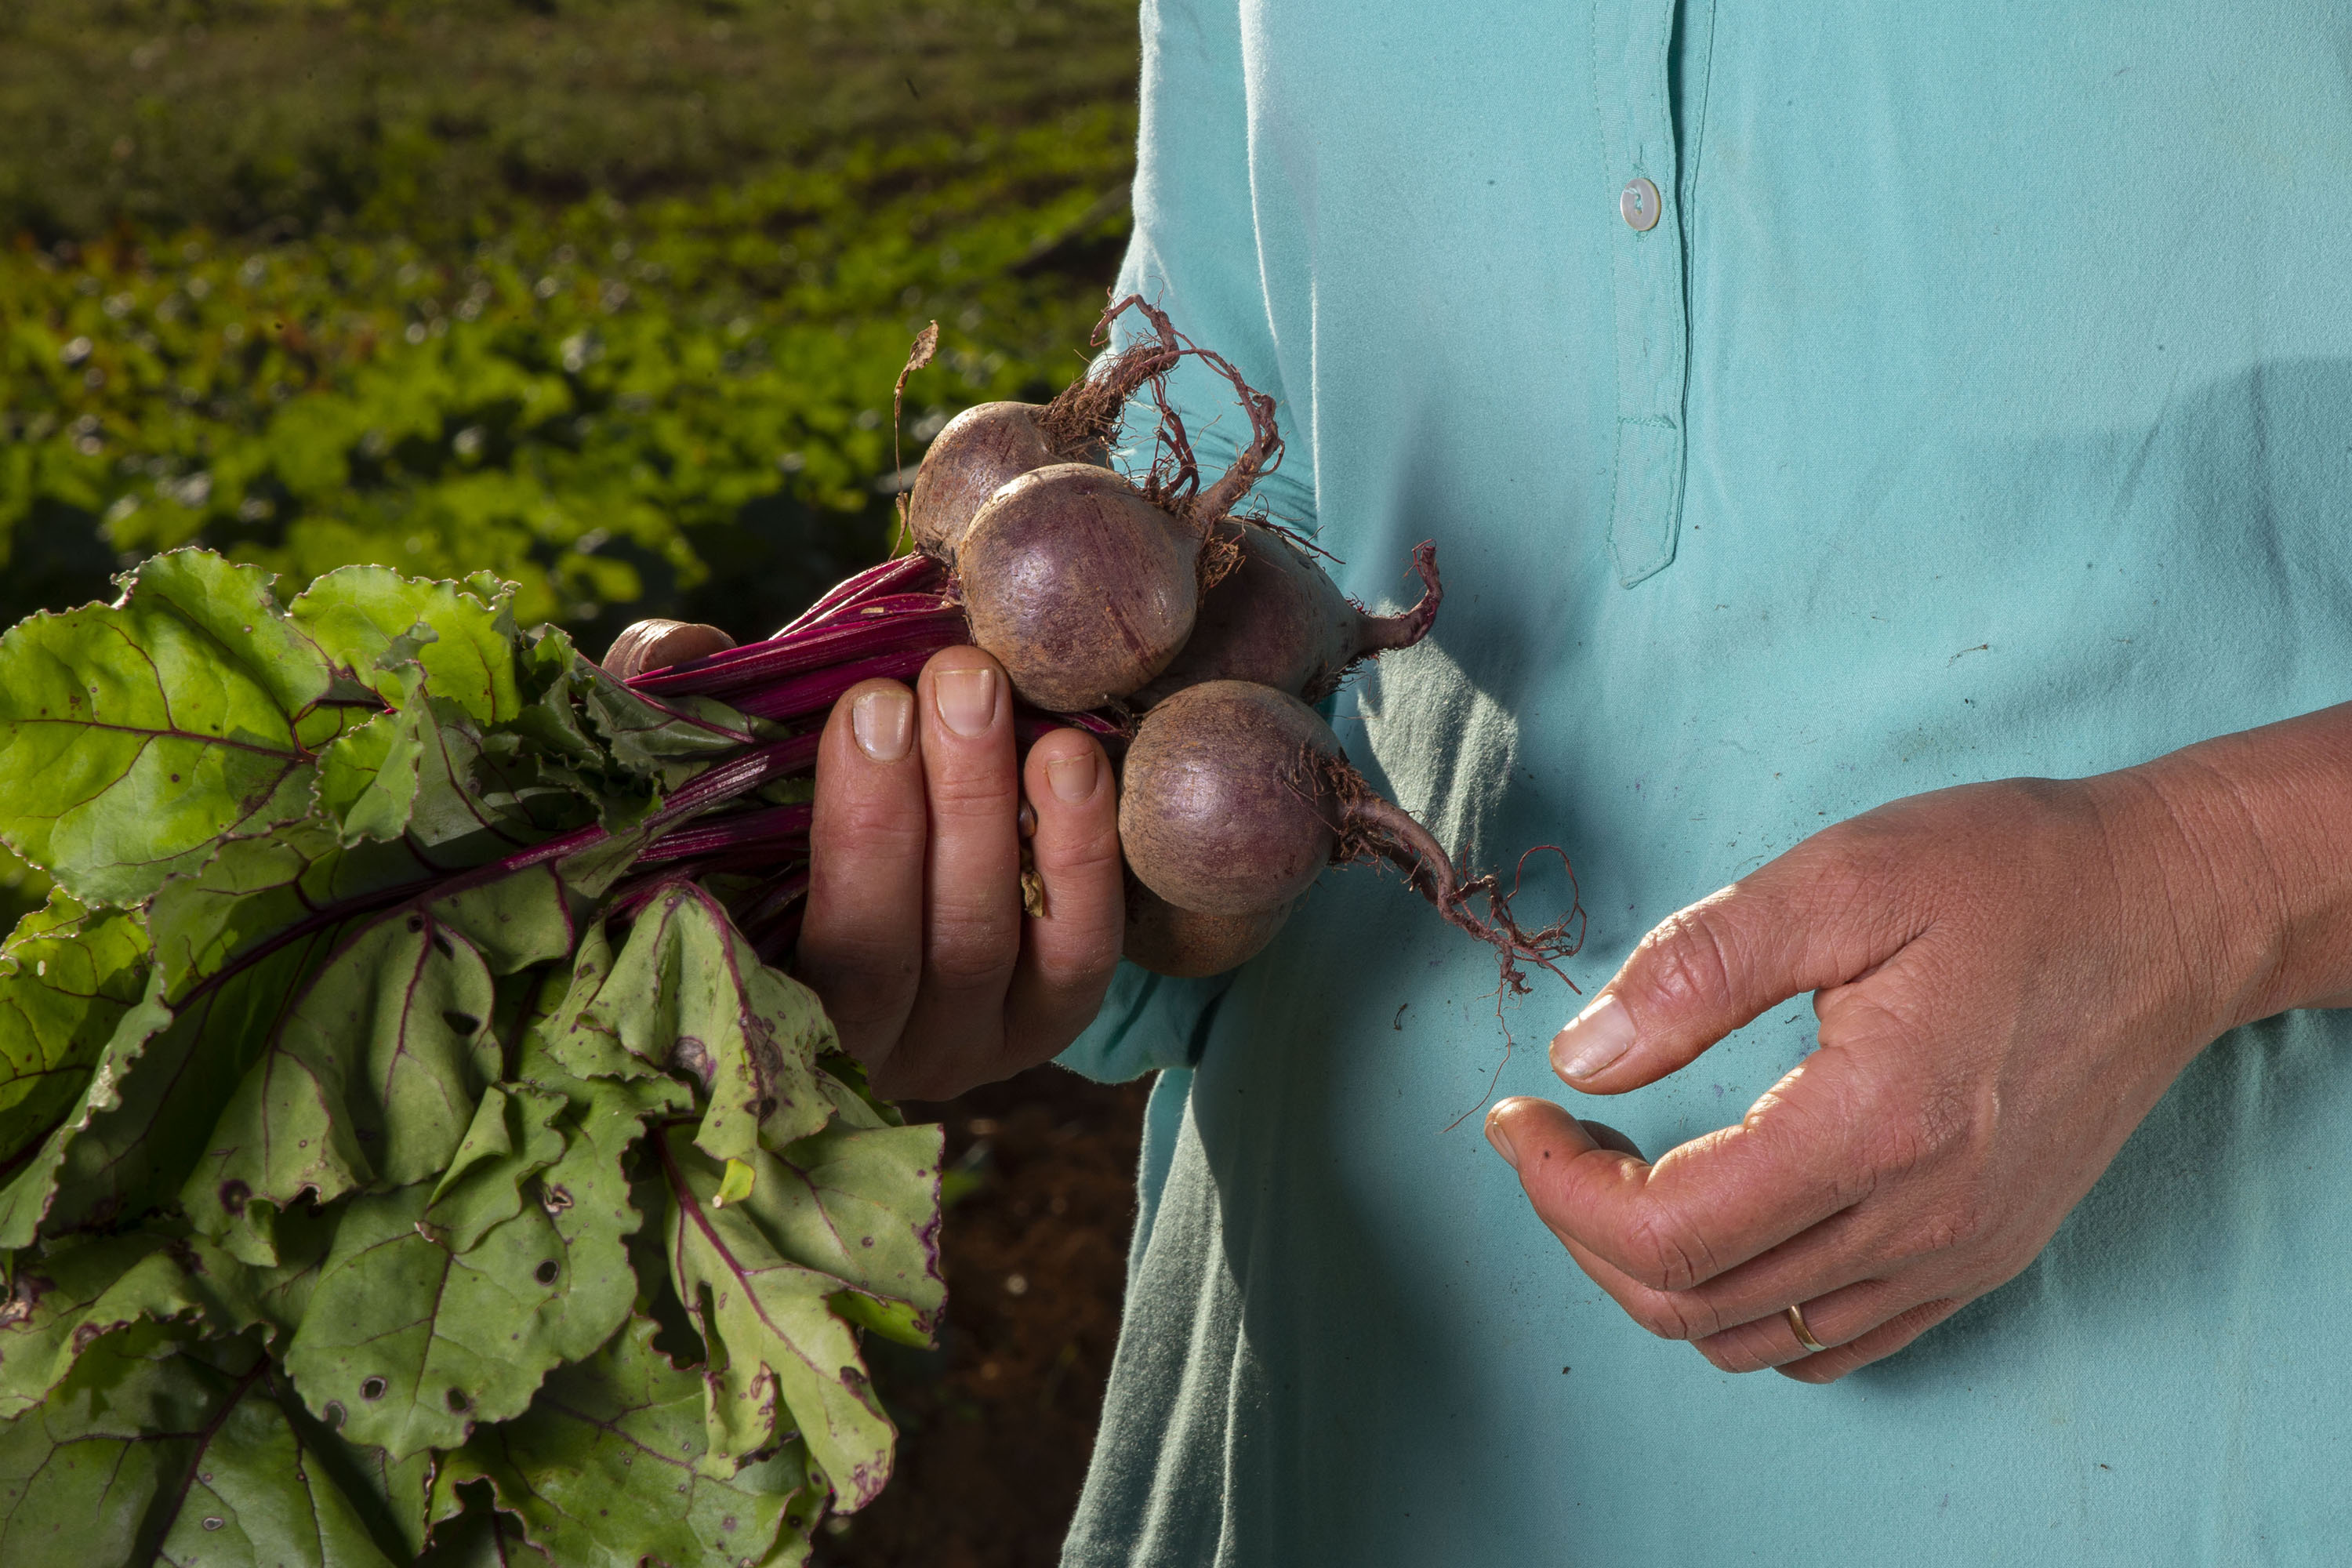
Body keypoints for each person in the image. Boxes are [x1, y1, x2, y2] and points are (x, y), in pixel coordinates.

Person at [614, 1, 2352, 1559]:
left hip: (2172, 1410)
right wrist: (1010, 878)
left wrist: (2204, 886)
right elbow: (1226, 467)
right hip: (1333, 1405)